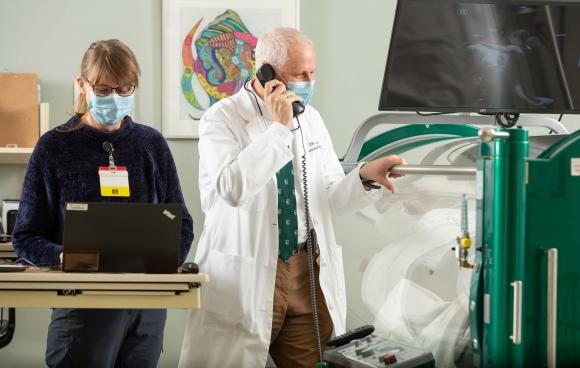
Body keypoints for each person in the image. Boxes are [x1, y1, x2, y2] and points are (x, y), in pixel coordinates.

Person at [179, 27, 405, 367]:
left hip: (304, 270)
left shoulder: (311, 119)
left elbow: (330, 198)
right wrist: (279, 130)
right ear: (267, 72)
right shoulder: (222, 118)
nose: (309, 82)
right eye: (300, 74)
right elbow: (232, 188)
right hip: (248, 270)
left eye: (313, 73)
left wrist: (362, 178)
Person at [12, 39, 194, 368]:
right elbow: (25, 237)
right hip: (83, 308)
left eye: (125, 89)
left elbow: (181, 224)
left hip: (146, 309)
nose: (116, 98)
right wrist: (63, 256)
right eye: (105, 89)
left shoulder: (150, 145)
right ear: (82, 86)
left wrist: (164, 262)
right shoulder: (54, 147)